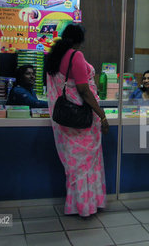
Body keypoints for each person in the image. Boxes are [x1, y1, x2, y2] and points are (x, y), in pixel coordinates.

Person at [45, 24, 108, 217]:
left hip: (65, 120)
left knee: (75, 166)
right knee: (86, 164)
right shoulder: (75, 56)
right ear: (79, 40)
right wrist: (102, 115)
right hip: (82, 119)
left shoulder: (55, 57)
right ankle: (86, 207)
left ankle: (75, 205)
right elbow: (84, 90)